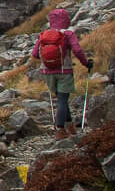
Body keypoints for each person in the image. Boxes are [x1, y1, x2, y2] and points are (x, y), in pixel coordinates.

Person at [29, 7, 94, 137]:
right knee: (63, 100)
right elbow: (77, 51)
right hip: (65, 71)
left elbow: (35, 54)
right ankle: (60, 129)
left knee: (61, 99)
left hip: (47, 72)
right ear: (66, 20)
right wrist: (86, 63)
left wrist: (49, 61)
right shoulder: (68, 34)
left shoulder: (44, 34)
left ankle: (69, 125)